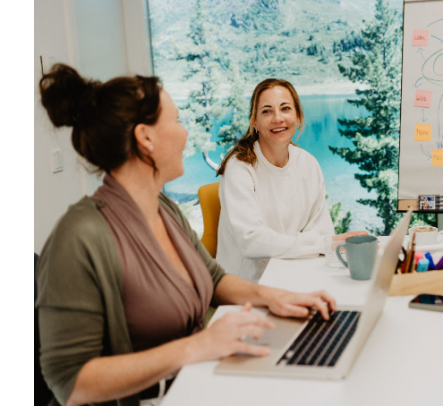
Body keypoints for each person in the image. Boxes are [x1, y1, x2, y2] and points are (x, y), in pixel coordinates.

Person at [35, 64, 337, 406]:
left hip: (194, 384)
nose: (185, 134)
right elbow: (69, 382)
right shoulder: (79, 236)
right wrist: (197, 346)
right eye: (176, 121)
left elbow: (213, 277)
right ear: (146, 137)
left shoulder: (164, 208)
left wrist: (274, 297)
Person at [215, 78, 368, 283]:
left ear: (297, 117)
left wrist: (321, 242)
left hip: (295, 275)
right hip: (247, 286)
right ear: (255, 122)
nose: (278, 118)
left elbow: (323, 231)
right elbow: (251, 241)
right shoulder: (239, 168)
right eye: (267, 111)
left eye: (285, 108)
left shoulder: (308, 164)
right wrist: (319, 243)